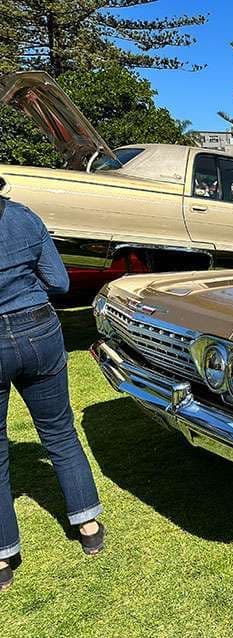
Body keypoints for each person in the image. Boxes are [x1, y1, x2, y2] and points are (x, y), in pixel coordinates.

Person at [0, 184, 105, 591]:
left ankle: (3, 558)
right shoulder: (24, 216)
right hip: (37, 328)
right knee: (60, 432)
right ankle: (89, 526)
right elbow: (59, 283)